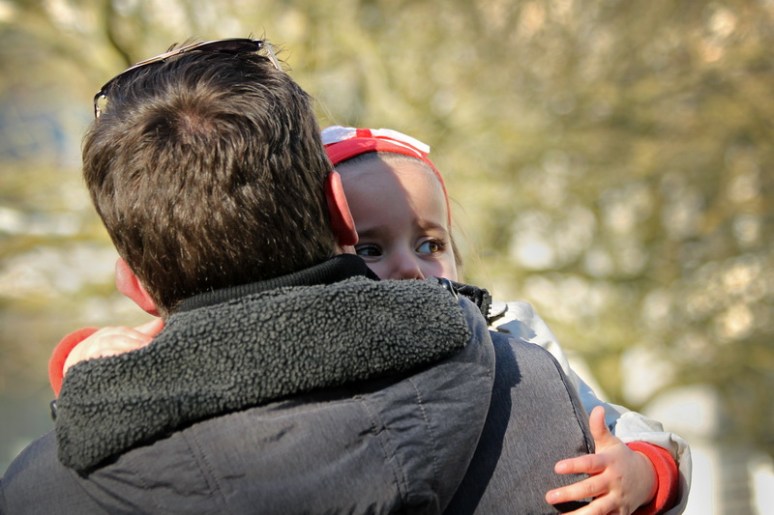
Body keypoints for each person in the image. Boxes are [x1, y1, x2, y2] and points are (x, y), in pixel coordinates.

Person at [0, 38, 595, 514]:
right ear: (340, 211)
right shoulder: (529, 390)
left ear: (136, 285)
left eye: (430, 244)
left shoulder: (41, 491)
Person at [46, 125, 692, 514]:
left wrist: (642, 473)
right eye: (372, 248)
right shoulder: (284, 339)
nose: (410, 267)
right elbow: (174, 354)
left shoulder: (511, 337)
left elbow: (634, 432)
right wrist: (79, 353)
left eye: (430, 243)